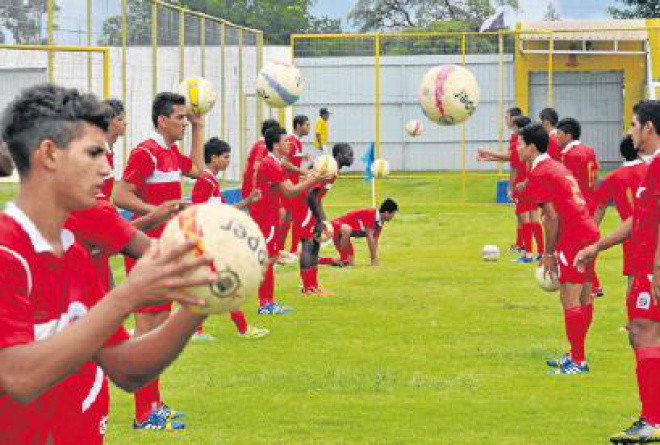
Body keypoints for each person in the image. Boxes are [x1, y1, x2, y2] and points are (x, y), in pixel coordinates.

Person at [0, 84, 215, 444]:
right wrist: (127, 297)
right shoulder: (9, 255)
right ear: (50, 156)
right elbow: (19, 378)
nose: (105, 169)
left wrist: (199, 305)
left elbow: (127, 369)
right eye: (93, 153)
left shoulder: (76, 258)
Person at [113, 91, 205, 429]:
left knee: (158, 330)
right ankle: (143, 413)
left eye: (185, 118)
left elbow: (196, 169)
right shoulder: (146, 152)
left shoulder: (169, 152)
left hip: (164, 251)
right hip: (145, 251)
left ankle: (154, 405)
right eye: (180, 118)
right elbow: (120, 194)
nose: (183, 122)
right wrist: (156, 213)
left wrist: (199, 126)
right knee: (147, 331)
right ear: (161, 120)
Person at [575, 101, 660, 442]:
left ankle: (652, 419)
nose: (630, 131)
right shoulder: (650, 168)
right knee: (642, 333)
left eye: (634, 124)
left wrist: (656, 267)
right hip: (642, 267)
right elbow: (639, 219)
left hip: (650, 269)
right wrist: (597, 246)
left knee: (644, 332)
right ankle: (651, 416)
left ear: (649, 128)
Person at [517, 123, 599, 375]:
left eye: (520, 143)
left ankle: (578, 361)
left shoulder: (541, 171)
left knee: (569, 297)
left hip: (573, 237)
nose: (517, 148)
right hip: (588, 231)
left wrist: (549, 254)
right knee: (584, 296)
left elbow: (551, 217)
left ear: (531, 147)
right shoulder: (554, 165)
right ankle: (575, 355)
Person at [190, 137, 268, 339]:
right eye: (226, 157)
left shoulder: (212, 181)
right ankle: (242, 329)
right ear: (213, 158)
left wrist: (249, 201)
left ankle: (197, 331)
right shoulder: (205, 181)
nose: (228, 161)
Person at [252, 127, 327, 314]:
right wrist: (315, 178)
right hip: (264, 216)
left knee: (271, 258)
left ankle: (269, 302)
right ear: (276, 145)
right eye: (286, 141)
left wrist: (309, 176)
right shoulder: (271, 164)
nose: (290, 144)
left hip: (269, 215)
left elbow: (291, 185)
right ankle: (266, 304)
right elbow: (291, 192)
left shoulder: (276, 163)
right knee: (268, 259)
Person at [477, 113, 544, 262]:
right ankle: (541, 251)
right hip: (533, 182)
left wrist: (510, 187)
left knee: (524, 218)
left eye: (513, 125)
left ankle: (527, 255)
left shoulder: (519, 143)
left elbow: (513, 165)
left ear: (517, 128)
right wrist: (488, 157)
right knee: (534, 217)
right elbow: (510, 158)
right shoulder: (531, 143)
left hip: (522, 184)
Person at [554, 117, 604, 297]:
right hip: (590, 204)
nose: (556, 138)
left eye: (558, 134)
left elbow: (568, 184)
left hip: (578, 208)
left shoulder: (570, 155)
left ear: (568, 135)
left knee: (569, 249)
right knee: (586, 247)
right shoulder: (588, 150)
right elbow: (595, 178)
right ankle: (593, 286)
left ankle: (580, 285)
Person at [298, 143, 354, 295]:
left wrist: (323, 219)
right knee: (308, 244)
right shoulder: (331, 169)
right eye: (349, 154)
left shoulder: (329, 165)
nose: (352, 157)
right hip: (304, 206)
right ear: (339, 155)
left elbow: (316, 194)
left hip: (307, 204)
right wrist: (318, 219)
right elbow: (311, 194)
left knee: (315, 244)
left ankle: (313, 286)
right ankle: (308, 287)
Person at [593, 135, 646, 288]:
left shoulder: (612, 178)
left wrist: (590, 234)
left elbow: (600, 209)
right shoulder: (650, 170)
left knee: (633, 279)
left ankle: (632, 311)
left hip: (629, 236)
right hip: (653, 233)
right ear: (640, 149)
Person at [319, 198, 398, 267]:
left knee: (349, 263)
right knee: (347, 229)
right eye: (393, 214)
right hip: (336, 228)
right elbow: (370, 238)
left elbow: (375, 241)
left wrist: (375, 258)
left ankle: (319, 260)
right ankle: (343, 257)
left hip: (344, 234)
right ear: (386, 213)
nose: (393, 217)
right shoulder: (371, 214)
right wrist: (373, 260)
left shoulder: (380, 223)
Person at [279, 115, 310, 262]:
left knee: (291, 217)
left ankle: (286, 250)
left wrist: (302, 157)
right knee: (289, 217)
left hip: (292, 185)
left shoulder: (296, 142)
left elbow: (291, 159)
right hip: (287, 186)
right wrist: (301, 171)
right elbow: (283, 162)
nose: (309, 128)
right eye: (307, 125)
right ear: (298, 126)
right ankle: (281, 250)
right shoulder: (292, 141)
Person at [241, 118, 280, 202]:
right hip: (253, 192)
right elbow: (256, 168)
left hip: (252, 190)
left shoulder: (260, 144)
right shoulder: (263, 146)